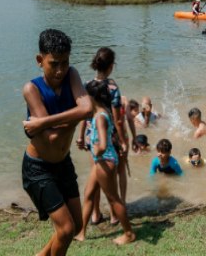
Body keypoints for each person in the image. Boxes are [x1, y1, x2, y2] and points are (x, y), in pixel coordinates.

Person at [21, 29, 93, 255]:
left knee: (78, 225)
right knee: (66, 229)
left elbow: (88, 109)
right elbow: (51, 138)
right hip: (38, 168)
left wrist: (43, 123)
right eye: (54, 64)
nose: (61, 70)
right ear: (39, 60)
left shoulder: (72, 74)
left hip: (63, 163)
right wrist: (77, 114)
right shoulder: (32, 89)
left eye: (65, 62)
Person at [75, 80, 135, 245]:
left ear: (92, 97)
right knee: (88, 194)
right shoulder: (99, 113)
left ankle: (129, 233)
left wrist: (96, 149)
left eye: (86, 96)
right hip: (100, 161)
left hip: (105, 161)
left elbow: (102, 144)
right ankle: (81, 232)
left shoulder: (100, 116)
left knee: (114, 199)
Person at [89, 47, 136, 225]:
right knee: (116, 172)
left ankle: (95, 214)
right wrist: (124, 141)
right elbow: (117, 119)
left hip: (92, 134)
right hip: (110, 135)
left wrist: (81, 137)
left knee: (97, 172)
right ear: (110, 66)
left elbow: (86, 115)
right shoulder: (112, 86)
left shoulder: (87, 85)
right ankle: (116, 213)